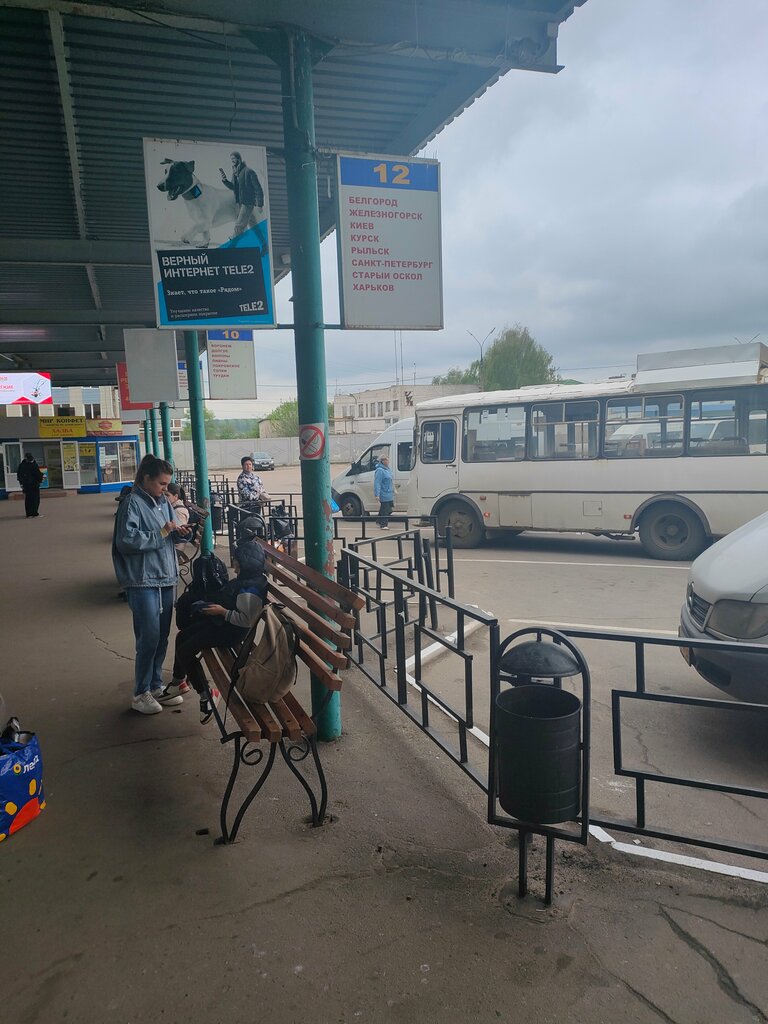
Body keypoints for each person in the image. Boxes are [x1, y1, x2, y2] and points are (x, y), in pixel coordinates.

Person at [112, 455, 192, 715]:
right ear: (145, 478)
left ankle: (156, 685)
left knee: (161, 637)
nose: (165, 489)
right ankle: (140, 692)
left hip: (166, 577)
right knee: (148, 638)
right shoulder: (131, 503)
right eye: (161, 483)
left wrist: (181, 532)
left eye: (167, 485)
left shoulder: (162, 503)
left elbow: (168, 531)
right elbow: (126, 540)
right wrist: (163, 533)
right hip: (143, 580)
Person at [161, 541, 267, 723]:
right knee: (182, 637)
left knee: (186, 649)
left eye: (237, 559)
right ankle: (179, 681)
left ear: (243, 563)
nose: (233, 562)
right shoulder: (248, 580)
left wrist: (221, 612)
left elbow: (245, 620)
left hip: (233, 631)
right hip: (224, 624)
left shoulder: (249, 590)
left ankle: (207, 695)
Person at [219, 152, 267, 250]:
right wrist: (225, 180)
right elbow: (233, 187)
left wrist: (260, 204)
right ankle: (265, 246)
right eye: (231, 159)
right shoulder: (236, 173)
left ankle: (231, 247)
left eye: (233, 158)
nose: (232, 161)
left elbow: (258, 188)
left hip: (248, 203)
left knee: (239, 225)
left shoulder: (249, 172)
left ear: (239, 159)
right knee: (254, 226)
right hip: (241, 203)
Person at [17, 453, 43, 518]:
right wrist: (41, 479)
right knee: (35, 499)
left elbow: (19, 475)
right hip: (34, 484)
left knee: (28, 499)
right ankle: (34, 513)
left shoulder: (22, 465)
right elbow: (37, 474)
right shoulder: (33, 464)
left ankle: (29, 514)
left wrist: (21, 483)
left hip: (26, 485)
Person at [374, 454, 394, 529]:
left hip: (389, 492)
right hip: (384, 492)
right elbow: (377, 483)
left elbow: (390, 480)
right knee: (385, 509)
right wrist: (377, 494)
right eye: (386, 460)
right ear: (382, 461)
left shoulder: (387, 469)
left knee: (389, 509)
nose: (387, 461)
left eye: (387, 459)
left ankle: (379, 520)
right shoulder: (379, 470)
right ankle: (383, 524)